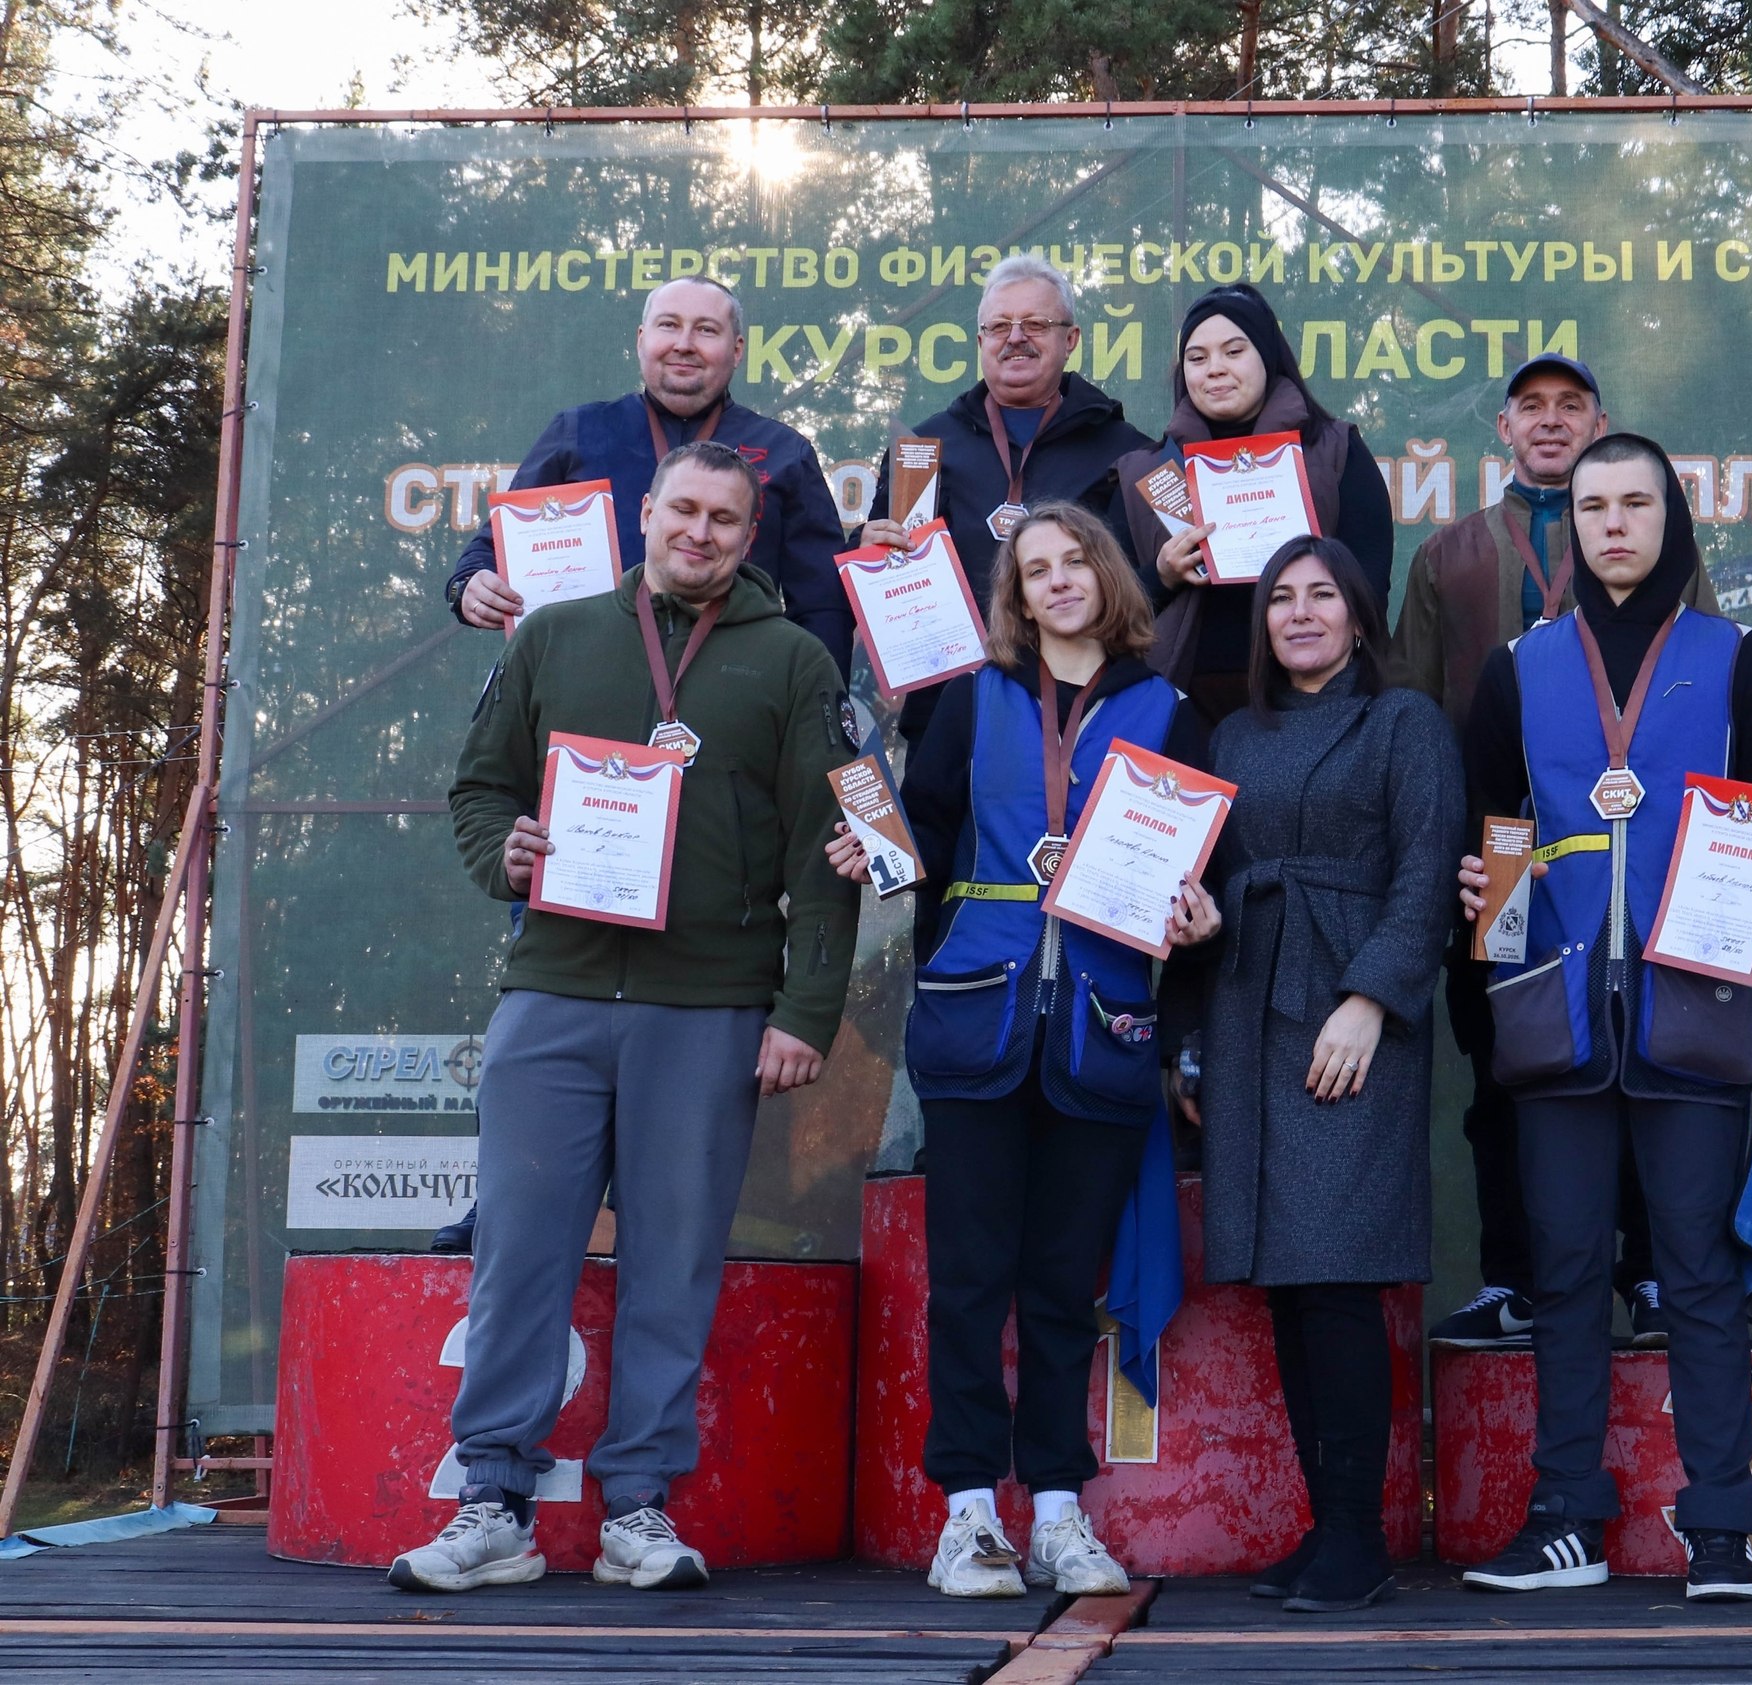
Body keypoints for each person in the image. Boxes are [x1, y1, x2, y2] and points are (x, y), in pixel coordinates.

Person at [397, 440, 856, 1594]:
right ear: (644, 512)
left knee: (673, 1261)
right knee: (517, 1253)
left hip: (706, 1005)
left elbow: (832, 850)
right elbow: (477, 785)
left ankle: (638, 1505)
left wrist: (805, 1009)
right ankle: (492, 1499)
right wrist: (499, 857)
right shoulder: (555, 630)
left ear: (753, 536)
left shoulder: (794, 661)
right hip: (552, 992)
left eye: (725, 519)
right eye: (682, 510)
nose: (699, 532)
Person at [1454, 434, 1752, 1603]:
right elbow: (1492, 832)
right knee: (1563, 1274)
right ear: (1570, 522)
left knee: (1698, 1274)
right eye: (1593, 504)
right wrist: (1484, 900)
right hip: (1556, 1022)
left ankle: (1722, 1530)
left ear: (1673, 516)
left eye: (1635, 503)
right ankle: (1566, 1520)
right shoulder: (1518, 666)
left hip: (1692, 1013)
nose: (1614, 522)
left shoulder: (1739, 659)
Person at [836, 502, 1213, 1600]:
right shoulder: (968, 698)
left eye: (1073, 561)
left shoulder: (1170, 712)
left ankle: (1055, 1506)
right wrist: (877, 852)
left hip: (1102, 1026)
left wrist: (1202, 918)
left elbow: (1200, 877)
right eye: (1033, 569)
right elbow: (927, 844)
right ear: (1013, 594)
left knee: (1059, 1285)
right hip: (978, 1020)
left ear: (1108, 574)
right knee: (968, 1280)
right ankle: (966, 1512)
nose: (1055, 582)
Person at [1165, 535, 1463, 1613]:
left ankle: (1360, 1538)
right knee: (1289, 1283)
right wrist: (1195, 973)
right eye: (1280, 598)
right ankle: (1324, 1525)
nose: (1298, 613)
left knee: (1336, 1276)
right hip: (1248, 1011)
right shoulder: (1234, 733)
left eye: (1320, 595)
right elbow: (1209, 885)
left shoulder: (1404, 722)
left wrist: (1371, 997)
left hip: (1351, 1021)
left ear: (1356, 613)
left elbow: (1429, 867)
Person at [1388, 353, 1692, 1351]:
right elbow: (1417, 717)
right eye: (1532, 408)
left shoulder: (1660, 545)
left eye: (1571, 406)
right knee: (1503, 1062)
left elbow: (1702, 682)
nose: (1551, 422)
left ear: (1602, 421)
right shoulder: (1449, 556)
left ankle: (1649, 1273)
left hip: (1630, 830)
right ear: (1502, 429)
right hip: (1505, 841)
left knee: (1646, 1046)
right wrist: (1445, 856)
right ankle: (1516, 1279)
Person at [446, 275, 852, 675]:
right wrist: (470, 586)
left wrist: (819, 709)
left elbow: (822, 606)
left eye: (706, 330)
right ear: (642, 339)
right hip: (581, 682)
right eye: (669, 325)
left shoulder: (786, 452)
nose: (684, 344)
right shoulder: (578, 432)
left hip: (732, 691)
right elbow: (493, 551)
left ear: (737, 349)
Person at [856, 253, 1153, 739]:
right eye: (999, 326)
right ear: (980, 342)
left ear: (1070, 339)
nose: (1015, 337)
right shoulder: (924, 450)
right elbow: (881, 564)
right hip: (952, 712)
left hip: (1088, 707)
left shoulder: (1125, 451)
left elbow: (1145, 587)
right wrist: (866, 543)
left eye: (1035, 323)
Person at [1118, 284, 1394, 722]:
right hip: (1184, 707)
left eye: (1233, 351)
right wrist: (1161, 575)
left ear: (1266, 356)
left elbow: (1370, 586)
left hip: (1318, 702)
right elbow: (1107, 612)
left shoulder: (1336, 450)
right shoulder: (1144, 472)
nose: (1215, 370)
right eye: (1197, 357)